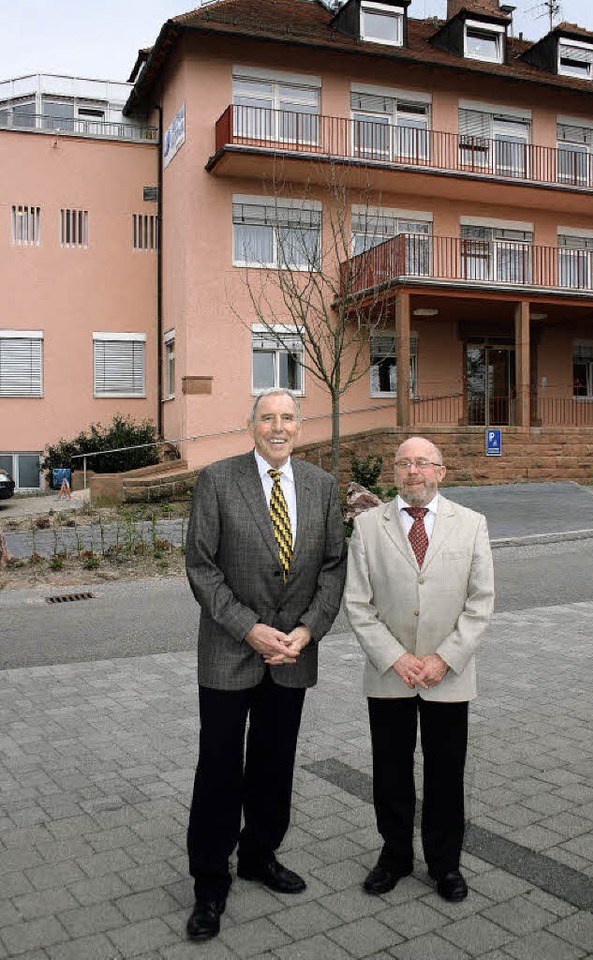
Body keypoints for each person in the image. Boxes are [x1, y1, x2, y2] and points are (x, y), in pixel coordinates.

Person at [184, 388, 346, 941]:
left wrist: (305, 630)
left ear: (299, 426)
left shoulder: (322, 487)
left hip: (292, 654)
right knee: (219, 768)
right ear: (250, 424)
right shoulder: (218, 481)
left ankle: (259, 855)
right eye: (267, 418)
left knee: (275, 764)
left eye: (287, 419)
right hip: (231, 649)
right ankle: (210, 883)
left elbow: (333, 569)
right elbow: (201, 568)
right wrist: (248, 628)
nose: (278, 427)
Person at [344, 436, 494, 902]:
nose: (413, 471)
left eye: (423, 463)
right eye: (404, 463)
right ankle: (394, 856)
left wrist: (443, 659)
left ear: (441, 472)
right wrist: (396, 658)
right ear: (394, 472)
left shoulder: (470, 524)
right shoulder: (369, 526)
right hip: (390, 673)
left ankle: (445, 864)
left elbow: (480, 602)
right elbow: (358, 603)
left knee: (447, 774)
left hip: (447, 676)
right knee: (389, 772)